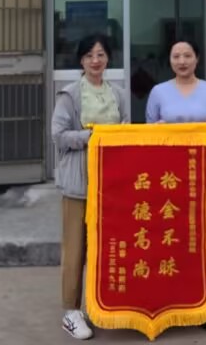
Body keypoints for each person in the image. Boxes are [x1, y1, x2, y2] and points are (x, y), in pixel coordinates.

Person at [145, 38, 206, 332]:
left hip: (203, 173)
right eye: (176, 56)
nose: (181, 61)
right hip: (169, 177)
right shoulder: (158, 92)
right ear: (169, 60)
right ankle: (172, 299)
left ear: (197, 59)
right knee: (173, 236)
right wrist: (155, 130)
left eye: (187, 55)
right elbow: (148, 131)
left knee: (202, 235)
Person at [52, 34, 131, 341]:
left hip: (112, 183)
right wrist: (93, 136)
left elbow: (126, 131)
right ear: (81, 61)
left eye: (100, 55)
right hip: (78, 182)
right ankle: (71, 312)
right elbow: (59, 136)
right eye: (89, 56)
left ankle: (103, 305)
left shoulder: (119, 94)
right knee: (75, 249)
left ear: (108, 58)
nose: (95, 61)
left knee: (109, 247)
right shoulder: (70, 95)